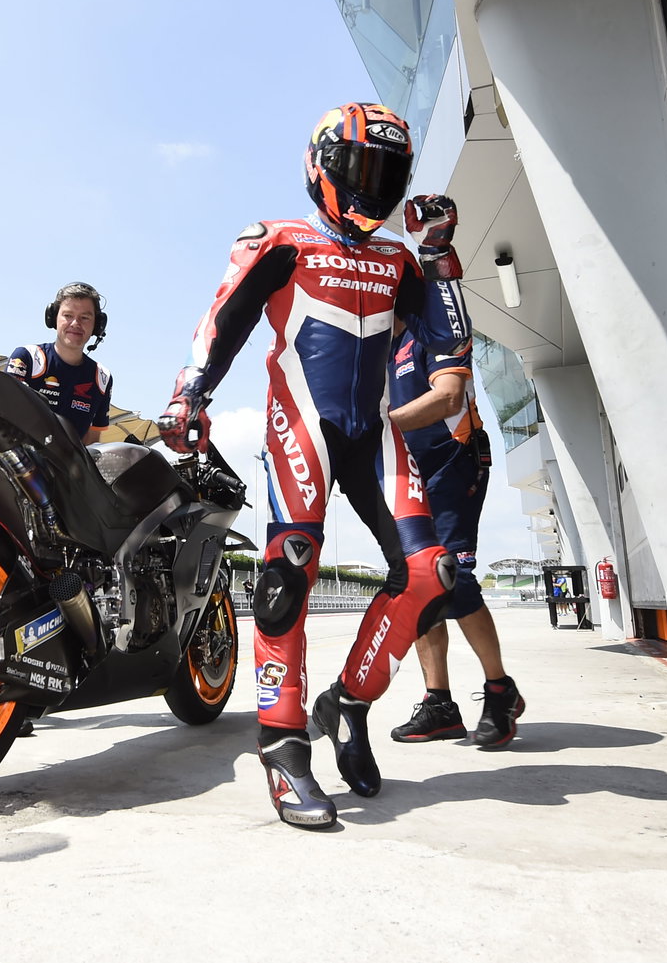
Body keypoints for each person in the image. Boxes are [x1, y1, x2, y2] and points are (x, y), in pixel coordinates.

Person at [158, 102, 470, 830]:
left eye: (388, 173)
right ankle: (283, 742)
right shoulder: (279, 238)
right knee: (286, 576)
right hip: (300, 421)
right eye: (362, 168)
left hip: (375, 430)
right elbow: (223, 320)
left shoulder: (398, 256)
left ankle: (348, 704)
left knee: (430, 572)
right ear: (322, 165)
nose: (374, 184)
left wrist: (439, 255)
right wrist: (188, 395)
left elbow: (450, 343)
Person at [385, 321, 526, 748]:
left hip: (453, 462)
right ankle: (440, 705)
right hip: (407, 473)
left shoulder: (435, 334)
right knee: (417, 580)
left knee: (455, 579)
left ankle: (501, 689)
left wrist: (378, 424)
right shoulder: (377, 352)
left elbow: (447, 398)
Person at [6, 281, 113, 444]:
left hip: (66, 468)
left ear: (97, 325)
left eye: (84, 317)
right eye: (68, 315)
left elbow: (91, 442)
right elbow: (4, 415)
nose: (76, 323)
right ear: (53, 318)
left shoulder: (102, 378)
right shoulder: (28, 357)